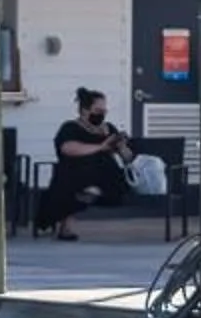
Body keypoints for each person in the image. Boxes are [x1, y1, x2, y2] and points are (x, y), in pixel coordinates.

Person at [35, 87, 132, 240]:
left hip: (106, 174)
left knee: (103, 182)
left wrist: (121, 146)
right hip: (76, 171)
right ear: (85, 110)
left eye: (104, 110)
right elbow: (68, 148)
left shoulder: (109, 128)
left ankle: (89, 195)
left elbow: (127, 157)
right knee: (72, 183)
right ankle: (67, 224)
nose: (102, 114)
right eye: (98, 110)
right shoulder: (70, 128)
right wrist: (101, 147)